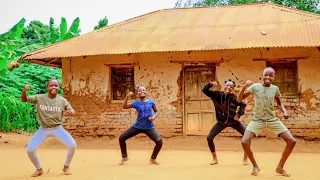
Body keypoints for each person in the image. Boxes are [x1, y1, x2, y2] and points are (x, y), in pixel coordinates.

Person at [237, 67, 296, 177]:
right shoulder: (255, 87)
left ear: (274, 77)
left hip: (272, 119)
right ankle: (255, 165)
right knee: (245, 142)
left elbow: (279, 103)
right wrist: (244, 87)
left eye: (271, 75)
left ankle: (280, 167)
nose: (268, 77)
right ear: (262, 75)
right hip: (257, 120)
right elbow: (239, 99)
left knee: (292, 141)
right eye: (266, 74)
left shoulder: (275, 89)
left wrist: (284, 111)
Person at [21, 78, 77, 177]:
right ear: (47, 87)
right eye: (51, 85)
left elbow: (71, 109)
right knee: (30, 149)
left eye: (56, 85)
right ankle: (39, 169)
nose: (54, 87)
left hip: (57, 128)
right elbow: (24, 99)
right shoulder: (40, 98)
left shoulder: (62, 100)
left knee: (72, 145)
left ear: (59, 87)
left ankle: (66, 166)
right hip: (43, 129)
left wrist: (71, 111)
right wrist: (24, 90)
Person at [203, 79, 248, 165]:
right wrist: (211, 83)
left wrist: (238, 114)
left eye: (231, 87)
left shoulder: (234, 97)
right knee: (209, 137)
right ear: (224, 86)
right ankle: (215, 159)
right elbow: (204, 90)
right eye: (227, 85)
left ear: (233, 89)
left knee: (247, 136)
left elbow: (243, 105)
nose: (228, 87)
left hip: (233, 121)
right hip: (221, 122)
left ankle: (245, 157)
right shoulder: (216, 95)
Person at [119, 86, 162, 165]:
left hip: (149, 127)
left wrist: (153, 117)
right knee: (122, 138)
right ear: (137, 93)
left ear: (146, 92)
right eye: (140, 91)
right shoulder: (136, 103)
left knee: (159, 141)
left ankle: (153, 158)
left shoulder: (151, 102)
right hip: (137, 126)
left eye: (144, 90)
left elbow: (157, 111)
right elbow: (124, 106)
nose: (142, 91)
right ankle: (124, 157)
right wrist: (127, 97)